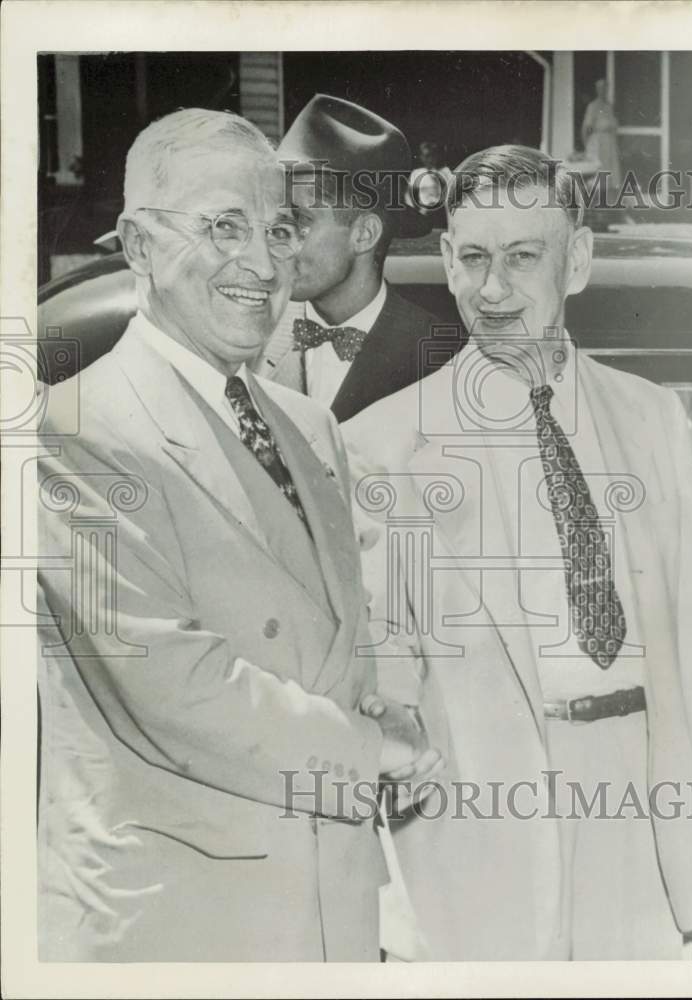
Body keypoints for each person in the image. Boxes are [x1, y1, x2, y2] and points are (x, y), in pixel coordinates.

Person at [36, 108, 439, 962]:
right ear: (139, 246)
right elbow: (179, 689)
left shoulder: (305, 425)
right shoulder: (73, 432)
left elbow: (338, 643)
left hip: (329, 915)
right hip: (185, 927)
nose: (264, 263)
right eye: (223, 227)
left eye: (279, 228)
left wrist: (382, 703)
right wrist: (374, 747)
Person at [343, 145, 692, 960]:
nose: (493, 289)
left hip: (641, 822)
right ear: (445, 260)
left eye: (523, 258)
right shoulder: (382, 445)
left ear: (576, 261)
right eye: (474, 258)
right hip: (475, 836)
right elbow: (383, 662)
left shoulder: (652, 419)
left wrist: (691, 840)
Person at [257, 95, 463, 422]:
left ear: (364, 234)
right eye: (275, 223)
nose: (276, 242)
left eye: (299, 221)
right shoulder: (249, 333)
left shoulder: (444, 358)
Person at [581, 78, 622, 191]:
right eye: (600, 88)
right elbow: (585, 128)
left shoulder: (609, 106)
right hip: (598, 143)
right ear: (597, 90)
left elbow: (614, 127)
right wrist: (586, 147)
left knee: (610, 172)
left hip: (609, 143)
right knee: (598, 172)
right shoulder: (593, 106)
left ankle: (607, 202)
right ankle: (595, 201)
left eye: (605, 88)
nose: (603, 91)